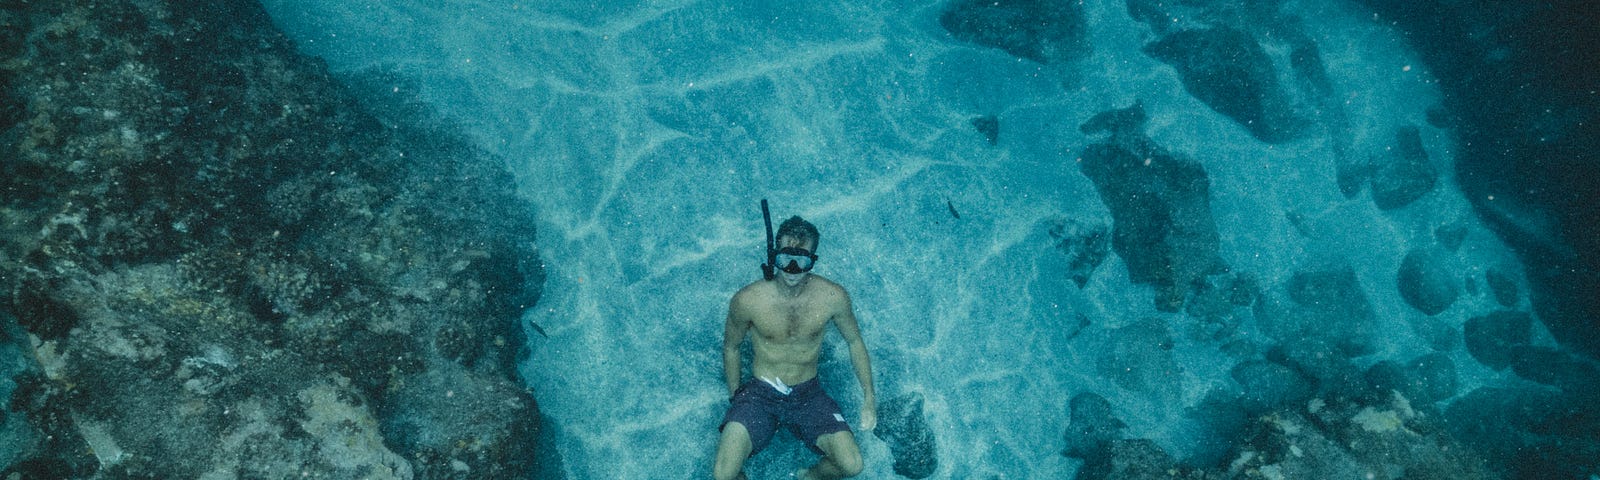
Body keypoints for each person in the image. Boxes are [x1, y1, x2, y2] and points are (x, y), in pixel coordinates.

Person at [713, 216, 876, 480]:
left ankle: (810, 476)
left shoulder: (832, 297)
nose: (791, 269)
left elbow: (855, 342)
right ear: (773, 254)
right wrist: (737, 399)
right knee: (723, 474)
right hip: (759, 394)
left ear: (813, 260)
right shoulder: (747, 300)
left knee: (852, 464)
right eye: (785, 258)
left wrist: (870, 397)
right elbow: (731, 347)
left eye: (801, 260)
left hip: (808, 394)